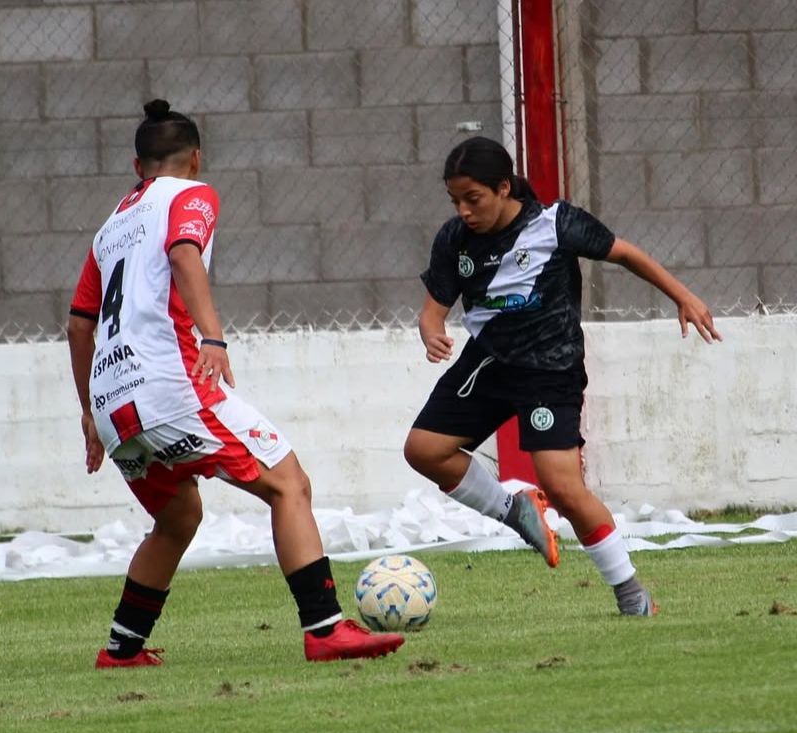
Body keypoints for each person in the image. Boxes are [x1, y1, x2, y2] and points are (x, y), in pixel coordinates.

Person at [67, 99, 404, 667]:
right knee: (288, 484)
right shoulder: (192, 194)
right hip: (169, 382)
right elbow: (182, 252)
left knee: (177, 518)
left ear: (136, 165)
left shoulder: (108, 229)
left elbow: (79, 325)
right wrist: (214, 337)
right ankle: (324, 630)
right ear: (195, 158)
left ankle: (121, 649)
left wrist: (88, 415)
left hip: (111, 399)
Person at [403, 136, 722, 616]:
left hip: (549, 370)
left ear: (504, 188)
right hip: (488, 362)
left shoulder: (556, 223)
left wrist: (683, 296)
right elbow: (433, 311)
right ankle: (515, 511)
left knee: (564, 488)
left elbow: (626, 253)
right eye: (456, 201)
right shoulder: (455, 239)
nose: (464, 211)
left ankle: (631, 593)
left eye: (474, 199)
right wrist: (431, 333)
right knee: (424, 450)